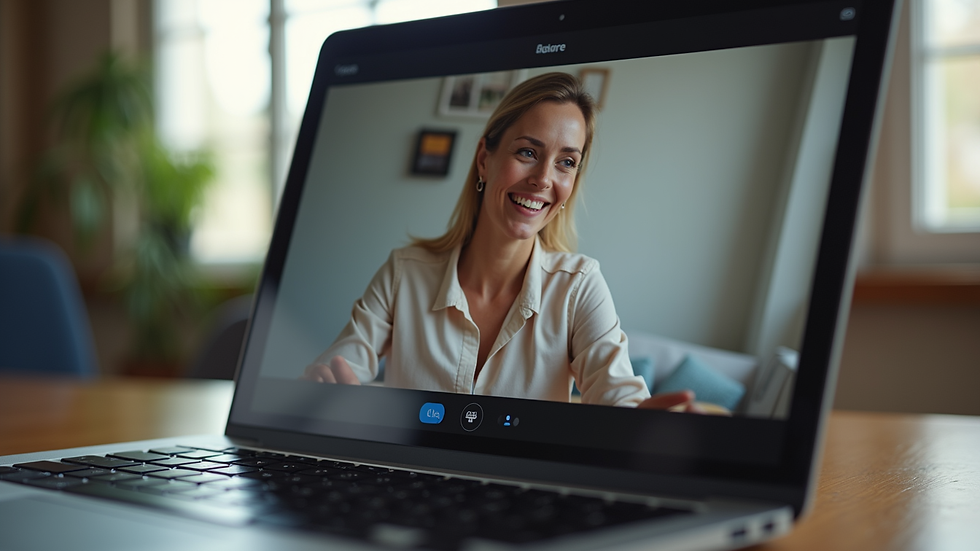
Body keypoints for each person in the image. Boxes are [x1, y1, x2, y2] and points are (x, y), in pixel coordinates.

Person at [303, 72, 700, 411]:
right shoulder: (404, 271)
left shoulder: (579, 286)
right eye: (528, 151)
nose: (543, 178)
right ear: (483, 160)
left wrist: (642, 423)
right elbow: (342, 365)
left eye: (566, 162)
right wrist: (326, 387)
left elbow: (617, 396)